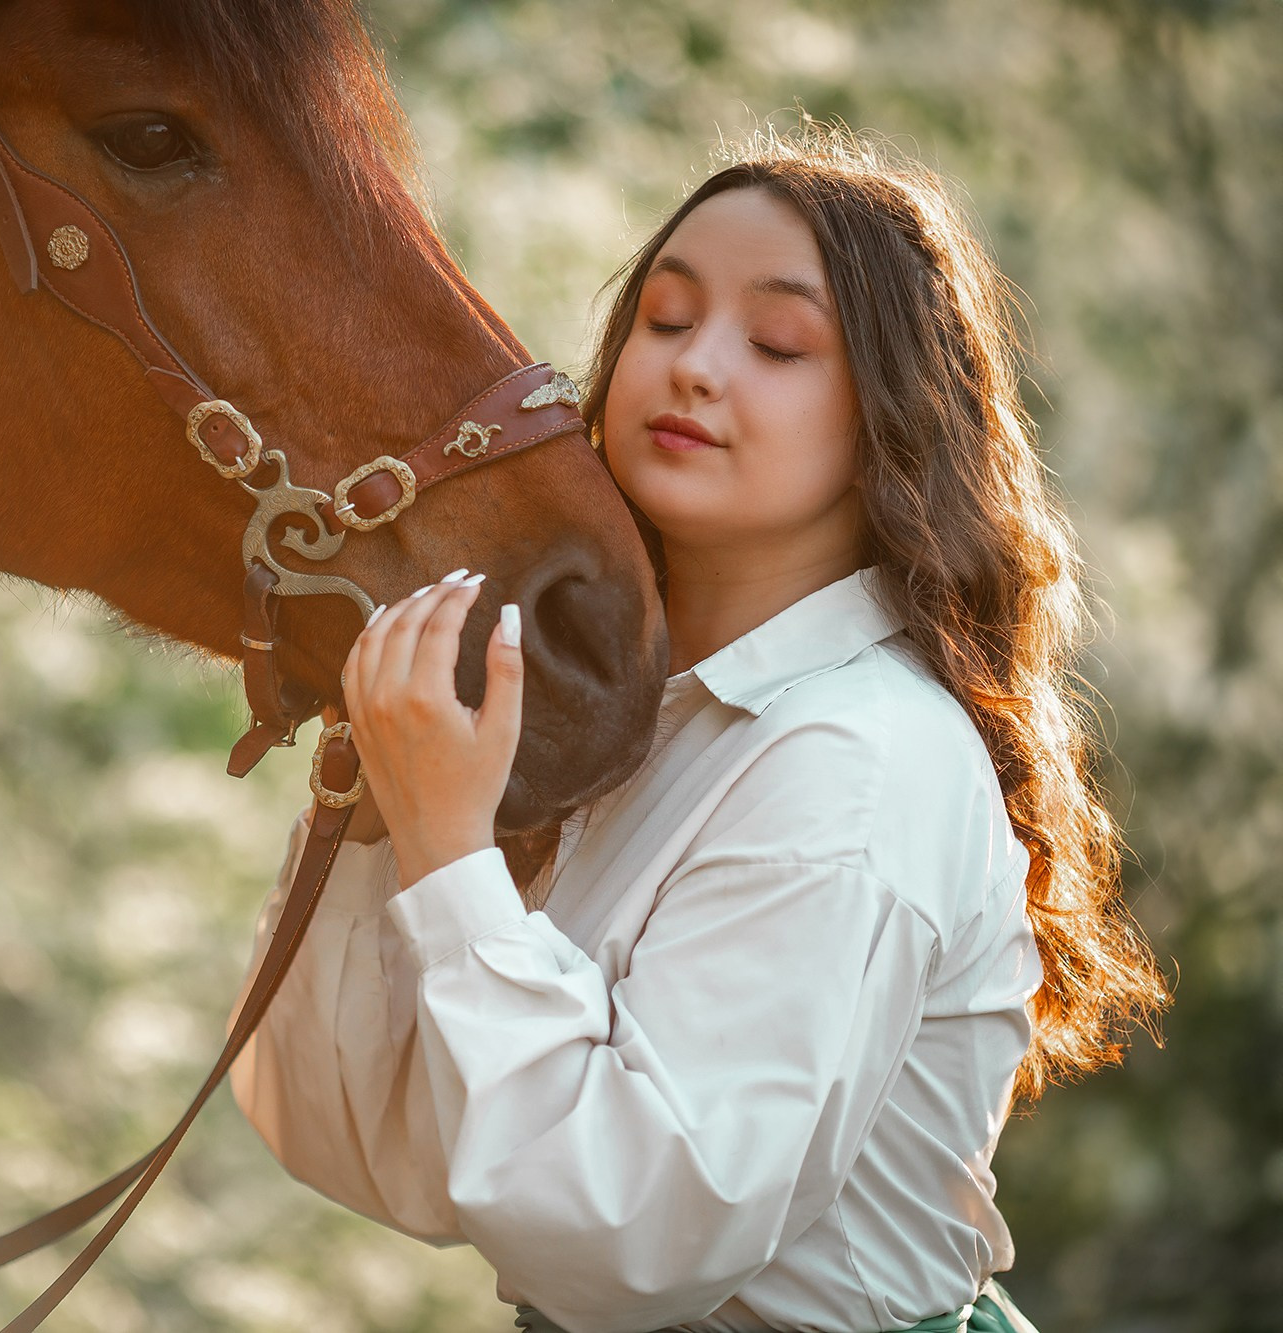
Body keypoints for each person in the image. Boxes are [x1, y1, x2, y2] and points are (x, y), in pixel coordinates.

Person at [228, 126, 1166, 1333]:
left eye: (775, 344)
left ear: (893, 416)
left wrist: (452, 856)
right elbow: (359, 1138)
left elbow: (632, 1239)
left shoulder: (856, 757)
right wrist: (390, 807)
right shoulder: (623, 715)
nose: (695, 367)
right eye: (664, 321)